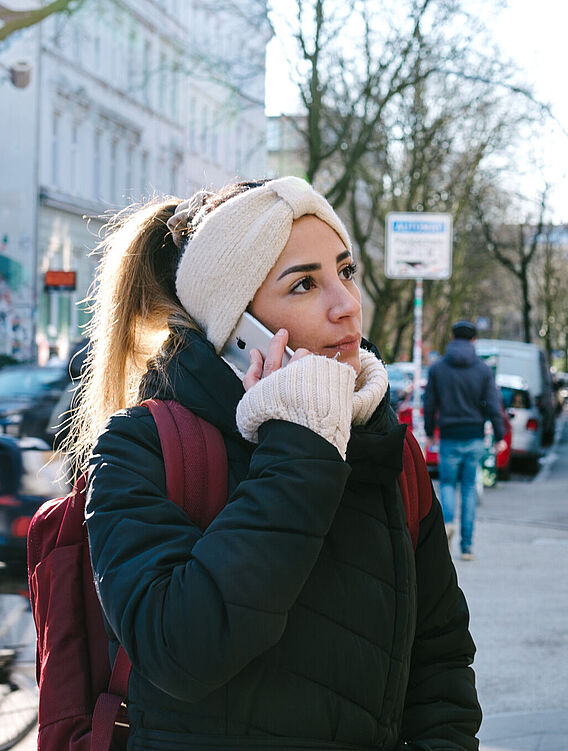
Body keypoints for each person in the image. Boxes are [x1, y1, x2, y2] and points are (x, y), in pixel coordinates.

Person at [64, 177, 481, 749]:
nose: (347, 305)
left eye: (346, 271)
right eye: (306, 284)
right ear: (237, 327)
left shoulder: (387, 448)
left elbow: (441, 669)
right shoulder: (145, 448)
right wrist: (300, 445)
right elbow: (180, 651)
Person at [424, 320, 506, 561]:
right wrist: (500, 436)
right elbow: (493, 404)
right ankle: (467, 546)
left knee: (448, 484)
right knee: (469, 487)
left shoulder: (438, 368)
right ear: (473, 340)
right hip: (474, 436)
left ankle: (448, 523)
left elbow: (430, 403)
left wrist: (429, 432)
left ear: (452, 338)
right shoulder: (482, 369)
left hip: (449, 435)